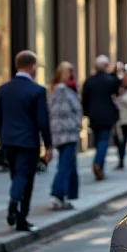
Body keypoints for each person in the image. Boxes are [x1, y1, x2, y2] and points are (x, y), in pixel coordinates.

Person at [0, 50, 53, 232]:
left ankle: (19, 214)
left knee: (16, 176)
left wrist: (1, 138)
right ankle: (17, 209)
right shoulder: (37, 91)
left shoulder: (3, 89)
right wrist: (48, 145)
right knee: (25, 178)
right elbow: (42, 120)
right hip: (28, 143)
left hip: (8, 141)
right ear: (33, 67)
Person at [47, 62, 82, 210]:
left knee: (69, 165)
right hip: (66, 134)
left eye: (71, 73)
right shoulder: (61, 91)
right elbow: (60, 113)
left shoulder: (63, 90)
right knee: (65, 165)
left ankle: (63, 195)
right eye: (67, 73)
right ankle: (58, 194)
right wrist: (76, 124)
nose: (69, 76)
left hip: (67, 134)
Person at [82, 55, 121, 180]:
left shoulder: (89, 81)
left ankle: (100, 170)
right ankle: (98, 163)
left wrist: (86, 113)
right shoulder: (110, 80)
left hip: (93, 116)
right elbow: (117, 89)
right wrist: (115, 74)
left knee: (98, 142)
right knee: (103, 142)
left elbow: (84, 100)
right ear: (105, 66)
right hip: (107, 115)